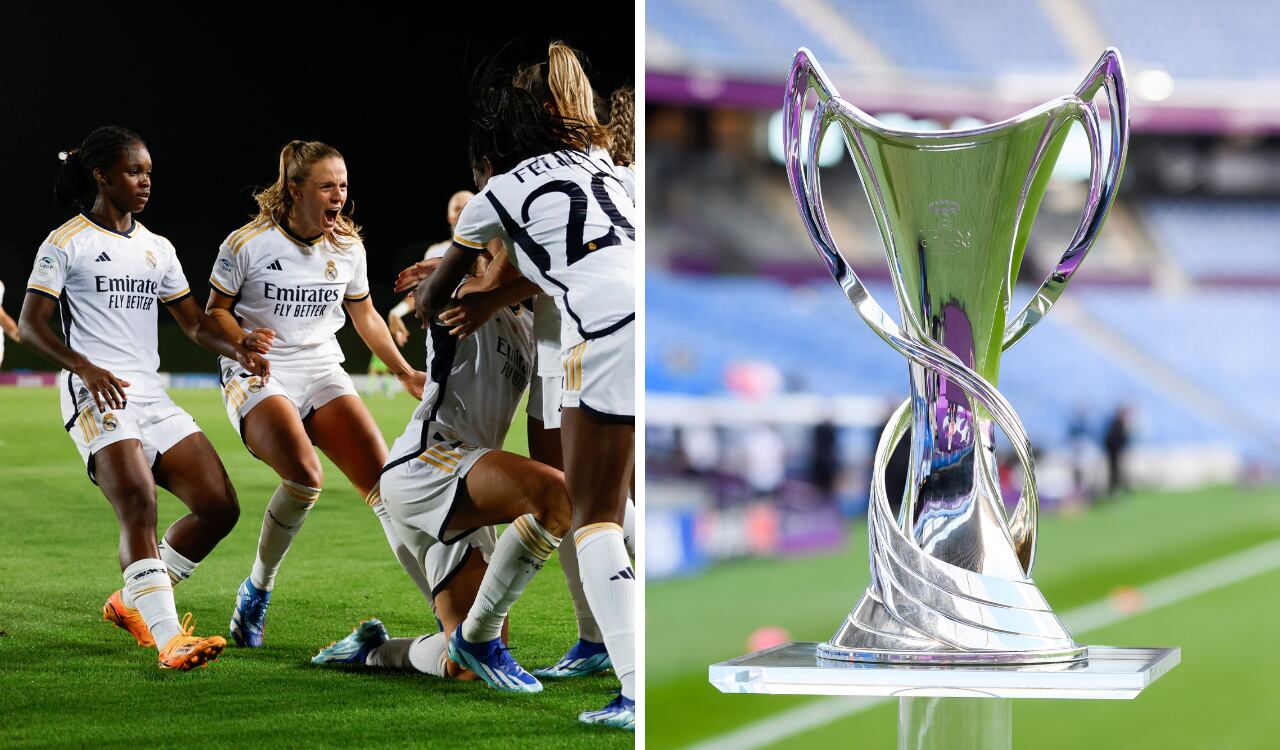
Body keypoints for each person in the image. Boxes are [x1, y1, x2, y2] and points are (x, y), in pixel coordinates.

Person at [414, 69, 636, 730]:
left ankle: (632, 684)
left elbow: (434, 301)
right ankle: (603, 647)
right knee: (614, 497)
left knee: (594, 513)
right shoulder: (610, 168)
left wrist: (442, 294)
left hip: (595, 330)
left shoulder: (498, 191)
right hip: (647, 317)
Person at [18, 125, 273, 670]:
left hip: (151, 396)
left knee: (219, 506)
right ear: (102, 175)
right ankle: (167, 640)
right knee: (140, 503)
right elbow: (32, 325)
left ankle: (132, 597)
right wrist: (84, 367)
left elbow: (197, 327)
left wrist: (238, 343)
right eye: (135, 172)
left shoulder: (158, 249)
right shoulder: (67, 243)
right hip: (96, 395)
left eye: (149, 173)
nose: (145, 182)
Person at [312, 246, 570, 695]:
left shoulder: (530, 324)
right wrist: (451, 271)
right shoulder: (460, 292)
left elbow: (550, 277)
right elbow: (433, 296)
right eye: (506, 239)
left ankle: (372, 651)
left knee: (461, 665)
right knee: (555, 494)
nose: (521, 247)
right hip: (429, 462)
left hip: (467, 485)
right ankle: (481, 642)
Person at [205, 139, 429, 648]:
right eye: (327, 185)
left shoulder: (347, 247)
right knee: (306, 479)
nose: (339, 196)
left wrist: (403, 372)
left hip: (322, 366)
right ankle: (257, 589)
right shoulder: (246, 244)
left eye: (344, 186)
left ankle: (447, 615)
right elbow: (214, 311)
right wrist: (240, 340)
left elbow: (364, 314)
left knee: (386, 491)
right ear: (294, 189)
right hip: (260, 370)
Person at [386, 191, 475, 349]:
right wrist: (396, 312)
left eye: (467, 207)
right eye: (457, 209)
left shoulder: (491, 247)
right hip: (444, 338)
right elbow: (424, 291)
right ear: (448, 217)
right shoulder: (436, 251)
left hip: (483, 330)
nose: (462, 213)